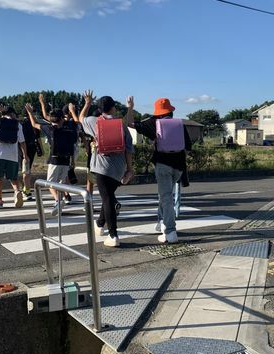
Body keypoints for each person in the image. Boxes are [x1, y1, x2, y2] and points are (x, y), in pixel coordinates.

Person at [126, 96, 191, 244]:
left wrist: (130, 107)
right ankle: (161, 222)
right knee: (165, 194)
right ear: (170, 111)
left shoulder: (153, 122)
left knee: (165, 196)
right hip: (179, 166)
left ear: (158, 112)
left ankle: (170, 231)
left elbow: (129, 123)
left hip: (162, 164)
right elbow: (187, 148)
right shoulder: (180, 124)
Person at [79, 90, 134, 248]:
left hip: (101, 167)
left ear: (100, 108)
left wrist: (87, 102)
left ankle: (113, 235)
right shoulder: (121, 124)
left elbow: (81, 118)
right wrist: (129, 169)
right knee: (108, 196)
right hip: (118, 168)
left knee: (107, 199)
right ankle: (99, 224)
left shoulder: (94, 121)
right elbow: (129, 148)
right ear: (113, 108)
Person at [24, 103, 77, 216]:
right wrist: (72, 111)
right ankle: (59, 203)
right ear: (62, 117)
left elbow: (34, 124)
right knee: (61, 184)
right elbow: (78, 123)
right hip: (66, 160)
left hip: (54, 160)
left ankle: (58, 201)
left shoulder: (49, 128)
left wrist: (30, 112)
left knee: (50, 184)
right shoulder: (70, 127)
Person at [20, 111, 41, 202]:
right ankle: (26, 190)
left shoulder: (22, 124)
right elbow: (38, 137)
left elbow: (38, 137)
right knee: (26, 171)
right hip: (27, 148)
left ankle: (26, 188)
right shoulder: (27, 124)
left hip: (25, 148)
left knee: (26, 170)